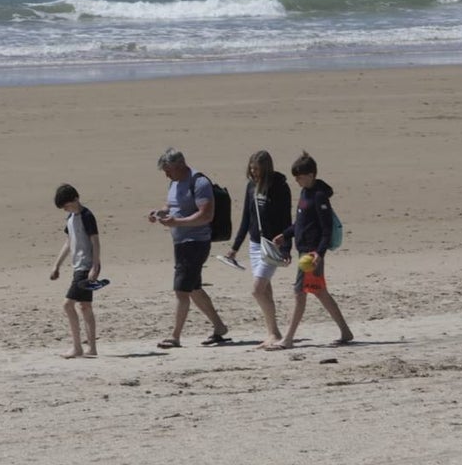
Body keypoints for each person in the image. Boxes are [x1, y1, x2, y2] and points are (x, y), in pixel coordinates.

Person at [148, 147, 230, 348]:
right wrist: (159, 213)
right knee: (193, 288)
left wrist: (177, 222)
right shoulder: (174, 183)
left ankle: (175, 337)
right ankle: (219, 327)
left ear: (179, 165)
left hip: (196, 242)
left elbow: (206, 215)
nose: (166, 174)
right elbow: (171, 206)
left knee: (181, 290)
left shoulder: (199, 182)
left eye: (168, 170)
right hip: (180, 242)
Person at [271, 151, 353, 349]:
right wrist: (286, 234)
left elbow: (326, 230)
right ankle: (345, 331)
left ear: (310, 174)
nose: (297, 180)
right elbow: (300, 223)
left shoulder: (319, 196)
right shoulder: (305, 192)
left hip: (311, 255)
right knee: (320, 292)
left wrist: (319, 253)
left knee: (299, 293)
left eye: (299, 177)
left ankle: (288, 338)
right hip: (305, 251)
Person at [226, 150, 292, 349]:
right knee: (266, 290)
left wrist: (287, 247)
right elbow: (247, 219)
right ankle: (273, 332)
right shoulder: (251, 186)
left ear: (266, 168)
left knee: (257, 290)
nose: (254, 173)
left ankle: (273, 332)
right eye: (252, 169)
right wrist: (235, 248)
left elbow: (286, 218)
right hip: (255, 245)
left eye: (257, 169)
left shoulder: (280, 187)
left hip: (272, 244)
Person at [49, 184, 101, 359]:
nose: (66, 209)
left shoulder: (87, 216)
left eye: (67, 206)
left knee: (67, 304)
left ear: (75, 199)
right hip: (77, 266)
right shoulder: (70, 218)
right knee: (85, 306)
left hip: (85, 267)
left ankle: (77, 347)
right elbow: (68, 242)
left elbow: (95, 241)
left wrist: (96, 266)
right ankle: (91, 348)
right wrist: (57, 265)